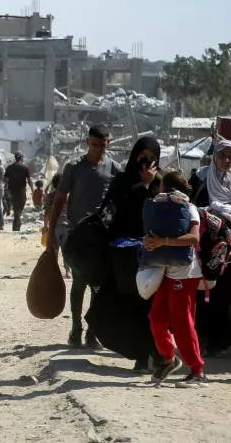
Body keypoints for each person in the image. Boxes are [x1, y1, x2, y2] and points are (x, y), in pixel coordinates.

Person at [86, 136, 164, 373]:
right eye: (143, 156)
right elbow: (111, 212)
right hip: (125, 256)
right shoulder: (122, 180)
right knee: (131, 305)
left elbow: (170, 210)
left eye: (152, 157)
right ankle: (141, 355)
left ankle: (158, 355)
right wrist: (142, 187)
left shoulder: (163, 182)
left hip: (156, 252)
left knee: (153, 307)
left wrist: (153, 186)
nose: (147, 161)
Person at [46, 124, 121, 349]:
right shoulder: (74, 167)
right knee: (79, 284)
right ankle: (76, 329)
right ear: (87, 141)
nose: (98, 149)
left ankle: (92, 332)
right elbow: (59, 200)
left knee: (99, 287)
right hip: (76, 237)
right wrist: (50, 233)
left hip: (102, 238)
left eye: (102, 145)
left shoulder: (114, 168)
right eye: (94, 144)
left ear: (108, 143)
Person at [144, 170, 208, 387]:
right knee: (157, 318)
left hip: (186, 274)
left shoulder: (189, 209)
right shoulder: (162, 210)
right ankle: (170, 360)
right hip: (167, 272)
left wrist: (164, 242)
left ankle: (197, 371)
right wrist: (151, 242)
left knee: (182, 322)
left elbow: (193, 237)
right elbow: (155, 237)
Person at [191, 139, 231, 356]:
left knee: (224, 294)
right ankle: (201, 340)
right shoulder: (201, 178)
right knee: (203, 291)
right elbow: (190, 207)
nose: (226, 160)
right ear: (214, 156)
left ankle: (219, 342)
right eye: (222, 155)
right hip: (206, 244)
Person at [42, 173, 71, 278]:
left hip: (54, 227)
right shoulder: (68, 197)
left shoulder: (50, 197)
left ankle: (54, 271)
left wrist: (45, 227)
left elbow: (47, 213)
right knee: (66, 250)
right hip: (67, 226)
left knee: (54, 250)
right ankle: (68, 271)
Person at [4, 152, 33, 232]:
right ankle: (17, 224)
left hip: (12, 191)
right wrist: (32, 190)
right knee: (19, 208)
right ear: (21, 158)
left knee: (16, 208)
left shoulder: (10, 167)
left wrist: (8, 184)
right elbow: (30, 180)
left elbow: (4, 179)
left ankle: (16, 223)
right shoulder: (25, 168)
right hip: (21, 192)